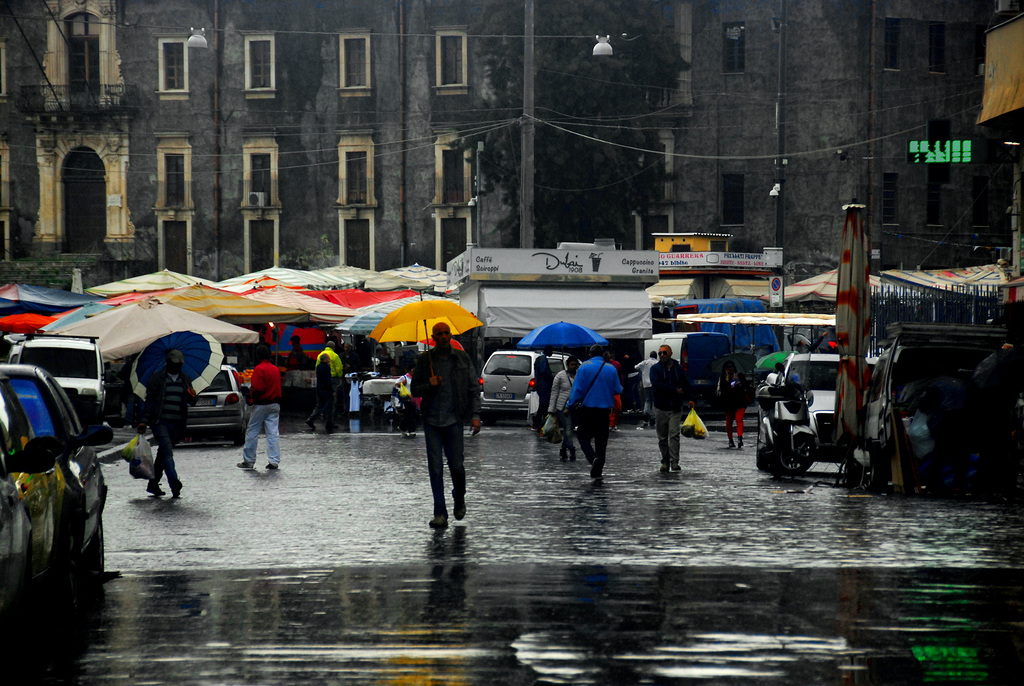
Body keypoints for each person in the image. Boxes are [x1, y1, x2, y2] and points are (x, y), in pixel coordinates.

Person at [410, 322, 481, 528]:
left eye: (446, 333)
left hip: (454, 419)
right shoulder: (425, 361)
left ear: (450, 335)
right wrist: (428, 385)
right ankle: (440, 512)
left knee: (457, 466)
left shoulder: (461, 358)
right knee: (435, 468)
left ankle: (459, 497)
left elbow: (473, 387)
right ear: (433, 338)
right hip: (432, 420)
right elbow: (415, 390)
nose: (443, 337)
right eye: (439, 334)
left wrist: (475, 415)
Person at [137, 349, 197, 498]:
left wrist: (192, 394)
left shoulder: (185, 379)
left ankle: (153, 484)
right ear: (168, 363)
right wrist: (144, 421)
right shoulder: (157, 379)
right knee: (167, 451)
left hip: (177, 424)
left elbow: (192, 401)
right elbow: (149, 402)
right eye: (175, 364)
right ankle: (174, 482)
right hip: (160, 422)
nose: (178, 367)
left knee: (163, 453)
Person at [567, 344, 621, 479]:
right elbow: (618, 389)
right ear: (602, 354)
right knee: (601, 442)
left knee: (582, 436)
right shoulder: (611, 368)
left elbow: (577, 390)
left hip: (588, 409)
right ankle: (598, 471)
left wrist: (569, 404)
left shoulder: (584, 367)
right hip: (604, 411)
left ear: (590, 355)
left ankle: (592, 458)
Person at [238, 344, 283, 469]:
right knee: (273, 433)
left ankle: (249, 460)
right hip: (275, 404)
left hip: (261, 404)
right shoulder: (275, 369)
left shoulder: (259, 369)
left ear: (258, 356)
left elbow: (258, 388)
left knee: (252, 431)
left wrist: (250, 395)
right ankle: (274, 460)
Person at [650, 344, 690, 472]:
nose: (662, 355)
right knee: (662, 437)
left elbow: (686, 383)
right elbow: (656, 385)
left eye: (664, 353)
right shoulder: (655, 369)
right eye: (660, 353)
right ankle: (665, 461)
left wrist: (691, 398)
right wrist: (674, 390)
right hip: (660, 406)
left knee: (674, 434)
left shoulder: (678, 369)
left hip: (675, 407)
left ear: (670, 353)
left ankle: (674, 462)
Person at [548, 355, 580, 461]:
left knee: (569, 428)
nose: (573, 367)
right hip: (562, 407)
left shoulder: (580, 376)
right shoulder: (560, 376)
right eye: (572, 365)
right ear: (567, 365)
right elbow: (554, 392)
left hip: (576, 407)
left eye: (575, 365)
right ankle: (571, 449)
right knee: (568, 429)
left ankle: (563, 449)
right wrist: (551, 409)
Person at [716, 361, 753, 449]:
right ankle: (730, 439)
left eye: (731, 368)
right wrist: (727, 380)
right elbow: (723, 390)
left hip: (740, 402)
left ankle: (740, 438)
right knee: (729, 421)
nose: (730, 370)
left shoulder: (739, 376)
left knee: (739, 419)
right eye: (728, 369)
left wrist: (738, 381)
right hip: (729, 403)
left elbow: (746, 386)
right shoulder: (723, 378)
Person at [306, 352, 334, 433]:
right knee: (329, 407)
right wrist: (331, 390)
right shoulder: (326, 367)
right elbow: (327, 380)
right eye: (328, 358)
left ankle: (311, 419)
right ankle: (328, 424)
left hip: (319, 389)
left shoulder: (318, 366)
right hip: (326, 390)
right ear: (325, 359)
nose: (329, 360)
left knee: (319, 405)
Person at [531, 345, 554, 431]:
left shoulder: (540, 359)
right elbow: (544, 371)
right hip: (544, 385)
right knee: (543, 404)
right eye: (551, 351)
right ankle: (536, 423)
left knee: (544, 405)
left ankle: (542, 423)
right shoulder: (543, 359)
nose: (552, 353)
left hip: (541, 385)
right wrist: (551, 377)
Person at [637, 351, 659, 427]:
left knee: (647, 400)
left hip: (646, 384)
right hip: (654, 384)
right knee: (653, 401)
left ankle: (646, 417)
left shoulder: (645, 362)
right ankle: (652, 418)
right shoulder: (657, 363)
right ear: (656, 356)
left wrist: (642, 371)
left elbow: (636, 367)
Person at [604, 350, 623, 431]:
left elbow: (620, 375)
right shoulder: (603, 365)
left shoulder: (616, 364)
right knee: (609, 408)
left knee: (617, 407)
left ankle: (613, 423)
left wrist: (621, 385)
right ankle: (611, 423)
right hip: (606, 389)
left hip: (614, 389)